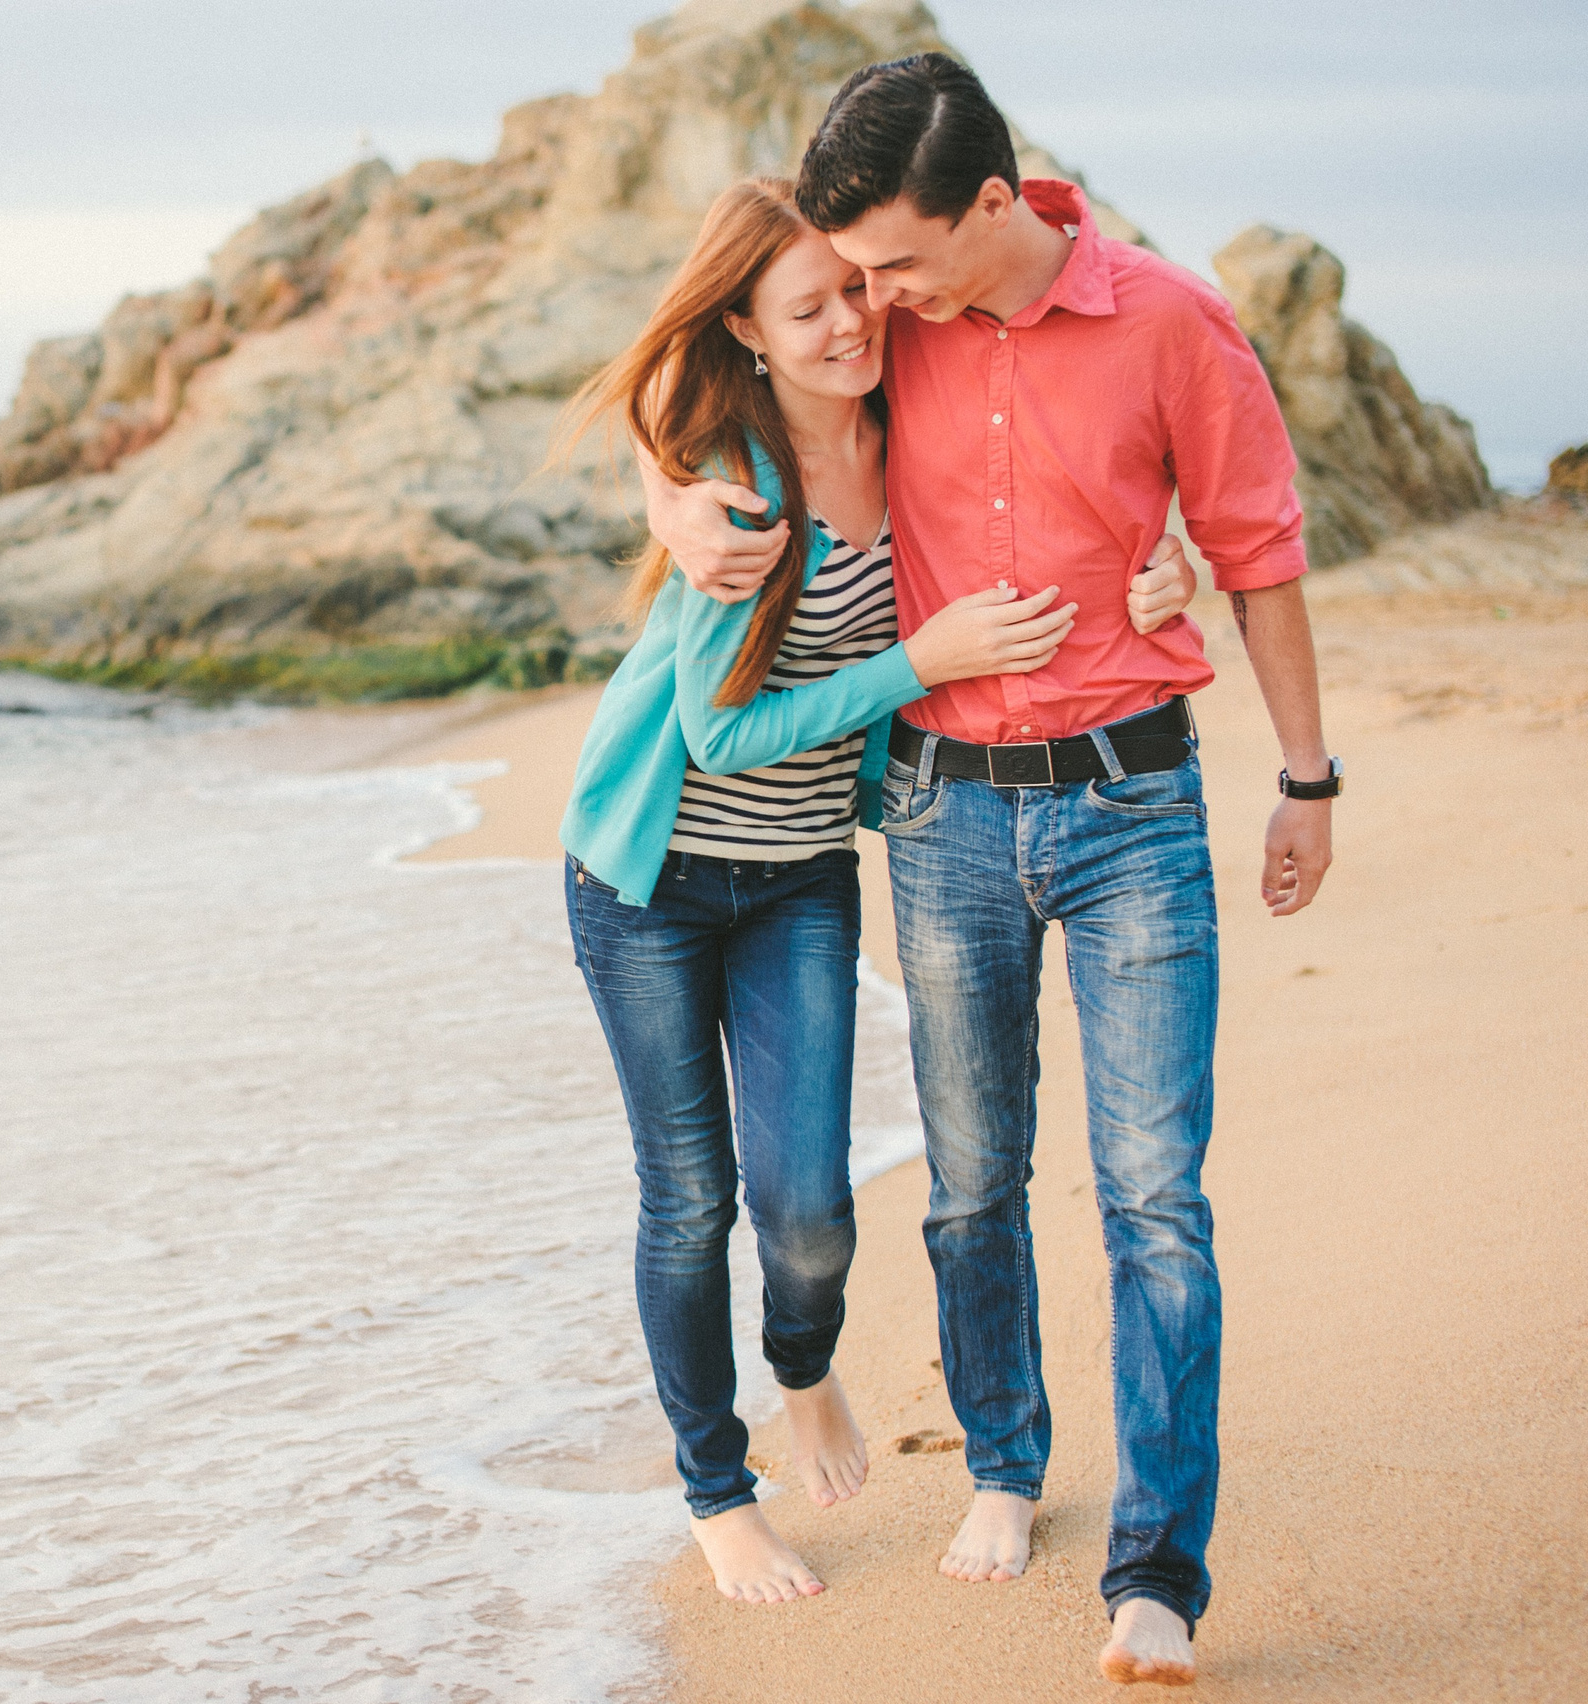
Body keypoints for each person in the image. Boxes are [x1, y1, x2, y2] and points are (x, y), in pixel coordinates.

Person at [639, 55, 1337, 1688]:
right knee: (969, 1189)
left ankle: (1157, 1573)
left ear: (994, 209)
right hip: (943, 820)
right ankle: (1010, 1463)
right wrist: (670, 500)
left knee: (1158, 1193)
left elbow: (1258, 550)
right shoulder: (894, 327)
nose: (873, 303)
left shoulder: (1171, 320)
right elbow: (716, 381)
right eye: (858, 273)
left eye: (894, 262)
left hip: (1133, 812)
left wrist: (1308, 776)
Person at [555, 177, 1198, 1608]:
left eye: (852, 290)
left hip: (799, 877)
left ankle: (804, 1365)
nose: (848, 323)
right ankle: (717, 1492)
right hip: (648, 878)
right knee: (689, 1199)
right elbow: (719, 736)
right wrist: (920, 657)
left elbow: (1059, 464)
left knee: (812, 1216)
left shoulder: (911, 412)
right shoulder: (736, 482)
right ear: (748, 328)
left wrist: (1166, 553)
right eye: (807, 309)